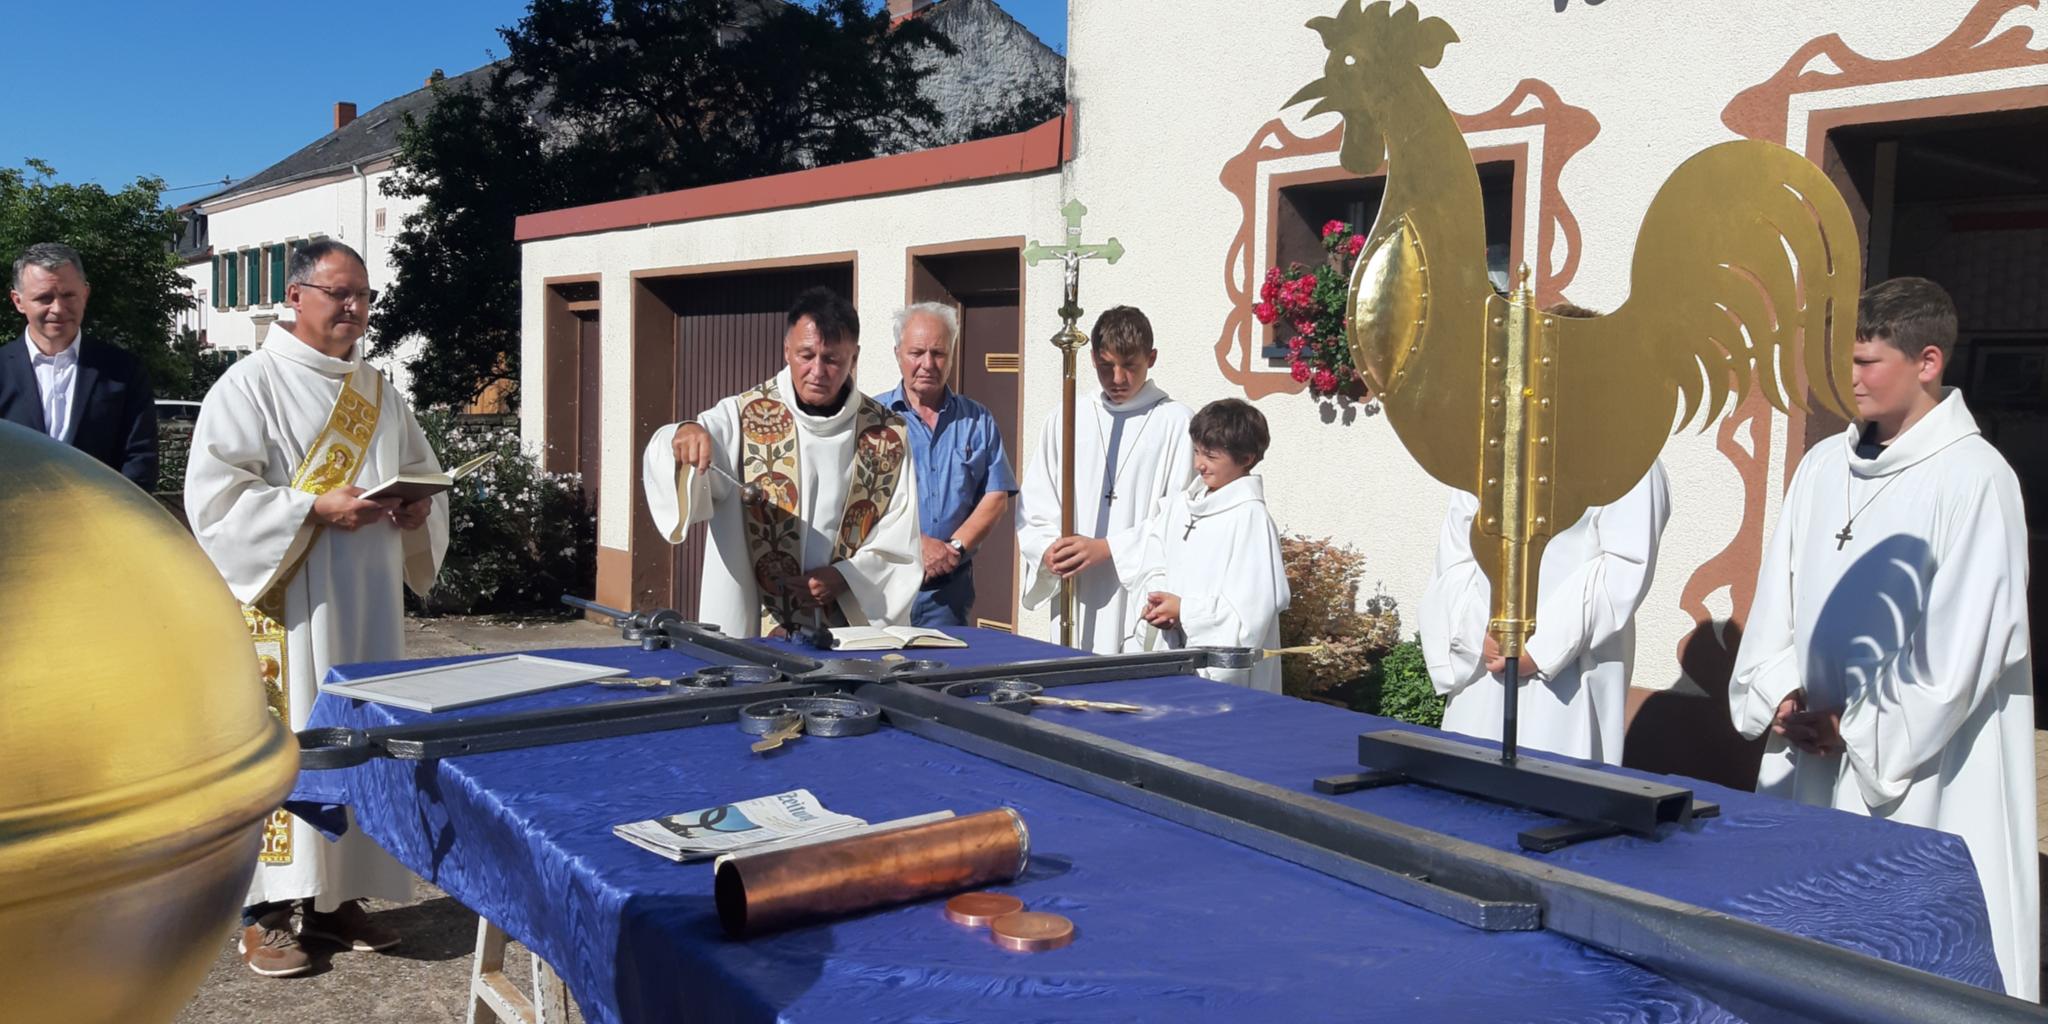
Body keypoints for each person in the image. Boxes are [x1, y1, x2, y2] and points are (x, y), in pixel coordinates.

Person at [1727, 277, 2036, 999]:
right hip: (1810, 748)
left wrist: (1859, 731)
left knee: (1913, 957)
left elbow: (1965, 645)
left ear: (1927, 362)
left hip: (1923, 763)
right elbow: (1780, 593)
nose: (1852, 378)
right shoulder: (1822, 466)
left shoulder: (1976, 479)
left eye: (1869, 362)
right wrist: (1778, 694)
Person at [184, 239, 448, 977]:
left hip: (365, 603)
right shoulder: (248, 385)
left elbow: (419, 475)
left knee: (354, 738)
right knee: (289, 740)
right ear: (296, 296)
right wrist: (309, 508)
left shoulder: (378, 390)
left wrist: (414, 511)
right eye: (341, 294)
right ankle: (266, 911)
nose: (357, 309)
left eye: (364, 295)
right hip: (285, 604)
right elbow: (214, 500)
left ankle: (337, 901)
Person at [1419, 302, 1670, 765]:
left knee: (1555, 787)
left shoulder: (1627, 456)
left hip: (1567, 676)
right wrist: (1483, 628)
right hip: (1485, 663)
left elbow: (1623, 566)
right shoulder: (1489, 448)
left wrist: (1541, 645)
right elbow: (1456, 558)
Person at [643, 287, 921, 636]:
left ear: (855, 357)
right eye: (806, 355)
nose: (817, 370)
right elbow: (686, 442)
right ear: (786, 350)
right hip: (756, 627)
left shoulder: (886, 434)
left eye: (832, 358)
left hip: (846, 626)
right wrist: (684, 432)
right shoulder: (741, 416)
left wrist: (845, 577)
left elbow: (900, 536)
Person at [1017, 306, 1194, 652]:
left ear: (1152, 358)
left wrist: (1107, 548)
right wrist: (1048, 548)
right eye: (1105, 366)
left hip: (1139, 593)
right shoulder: (1069, 416)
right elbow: (1036, 502)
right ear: (1092, 361)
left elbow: (1181, 520)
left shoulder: (1177, 424)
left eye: (1130, 366)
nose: (1117, 379)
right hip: (1078, 591)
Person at [1125, 398, 1290, 691]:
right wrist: (1158, 602)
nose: (1199, 464)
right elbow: (1154, 559)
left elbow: (1251, 613)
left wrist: (1185, 612)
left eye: (1211, 456)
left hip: (1220, 680)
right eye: (1197, 452)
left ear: (1247, 458)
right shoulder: (1182, 506)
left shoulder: (1250, 518)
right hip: (1170, 651)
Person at [877, 302, 1019, 627]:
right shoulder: (873, 420)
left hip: (948, 595)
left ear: (952, 354)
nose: (928, 364)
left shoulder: (977, 419)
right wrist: (916, 544)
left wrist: (951, 549)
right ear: (898, 353)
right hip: (883, 589)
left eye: (938, 353)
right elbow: (858, 506)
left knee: (945, 675)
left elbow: (996, 497)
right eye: (917, 352)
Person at [1, 242, 158, 490]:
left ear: (85, 294)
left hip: (99, 523)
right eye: (44, 298)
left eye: (68, 295)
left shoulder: (124, 371)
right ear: (18, 301)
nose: (58, 309)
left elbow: (139, 460)